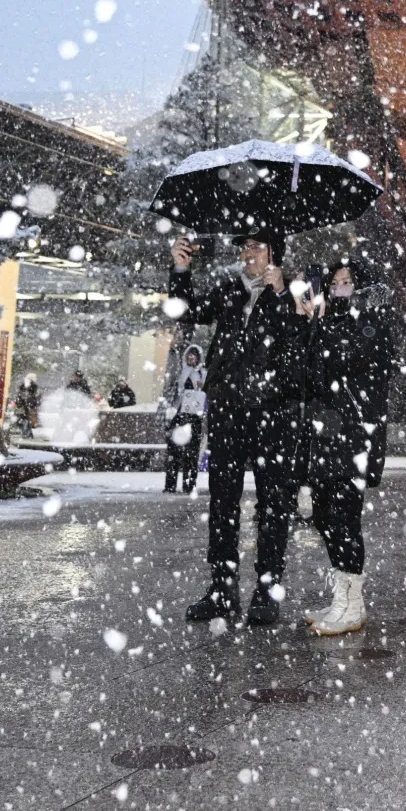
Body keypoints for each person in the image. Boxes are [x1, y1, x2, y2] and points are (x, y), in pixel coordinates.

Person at [168, 231, 304, 627]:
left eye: (257, 247)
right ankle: (221, 588)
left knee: (273, 503)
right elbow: (184, 310)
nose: (248, 254)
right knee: (222, 500)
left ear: (274, 254)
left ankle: (267, 589)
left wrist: (281, 296)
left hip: (274, 412)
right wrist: (181, 268)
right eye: (244, 247)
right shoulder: (228, 291)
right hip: (228, 409)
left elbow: (300, 342)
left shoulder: (294, 293)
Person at [294, 260, 395, 636]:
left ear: (361, 287)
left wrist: (318, 324)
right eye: (334, 283)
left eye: (347, 282)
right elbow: (309, 375)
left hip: (355, 438)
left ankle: (351, 604)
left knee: (345, 520)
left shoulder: (372, 324)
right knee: (323, 516)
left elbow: (341, 362)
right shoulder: (330, 324)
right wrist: (309, 323)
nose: (339, 288)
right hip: (326, 436)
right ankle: (345, 598)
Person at [162, 345, 206, 494]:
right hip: (179, 415)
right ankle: (170, 485)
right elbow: (171, 390)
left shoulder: (202, 373)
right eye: (189, 355)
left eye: (195, 355)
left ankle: (189, 485)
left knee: (192, 453)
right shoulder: (180, 372)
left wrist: (202, 387)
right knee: (173, 452)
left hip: (195, 416)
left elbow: (207, 393)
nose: (192, 358)